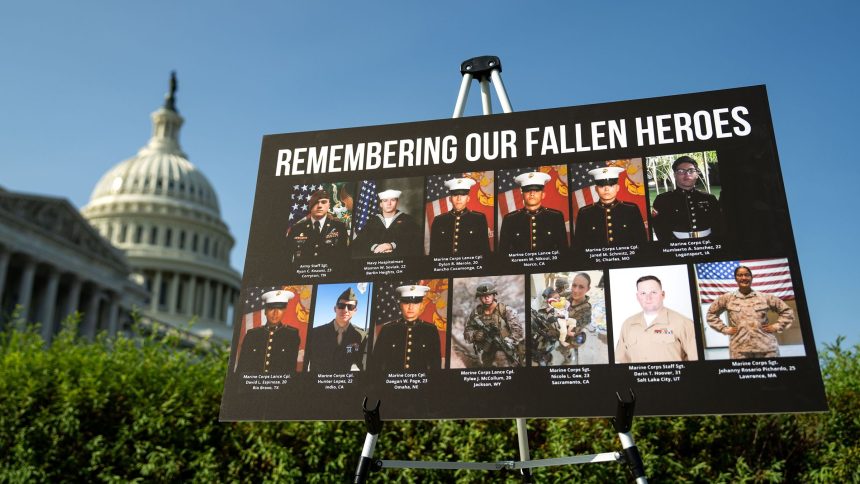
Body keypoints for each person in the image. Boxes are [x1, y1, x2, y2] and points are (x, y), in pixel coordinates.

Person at [706, 265, 794, 359]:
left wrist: (777, 326)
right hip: (739, 350)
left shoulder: (765, 297)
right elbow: (711, 314)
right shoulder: (727, 298)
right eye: (740, 275)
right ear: (736, 278)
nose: (743, 278)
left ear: (751, 278)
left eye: (747, 275)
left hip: (766, 349)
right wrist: (724, 329)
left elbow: (787, 311)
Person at [615, 276, 699, 363]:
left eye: (653, 292)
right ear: (637, 297)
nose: (648, 298)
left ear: (663, 295)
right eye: (643, 293)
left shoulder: (684, 323)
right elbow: (622, 362)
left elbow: (696, 361)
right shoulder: (628, 324)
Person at [651, 156, 724, 241]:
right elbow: (658, 226)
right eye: (681, 171)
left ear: (696, 174)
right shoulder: (663, 200)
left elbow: (719, 224)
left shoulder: (709, 198)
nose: (687, 174)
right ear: (675, 175)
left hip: (708, 243)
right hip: (676, 244)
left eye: (691, 171)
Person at [370, 285, 441, 372]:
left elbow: (435, 365)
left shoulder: (430, 330)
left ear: (421, 305)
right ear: (400, 304)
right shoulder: (387, 330)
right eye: (406, 302)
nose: (410, 307)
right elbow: (376, 364)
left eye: (415, 303)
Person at [573, 167, 646, 248]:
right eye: (601, 186)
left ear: (617, 188)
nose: (606, 189)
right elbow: (579, 246)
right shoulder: (585, 213)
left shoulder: (631, 210)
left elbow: (641, 242)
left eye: (611, 185)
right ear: (596, 189)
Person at [498, 171, 568, 254]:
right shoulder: (510, 219)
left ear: (543, 194)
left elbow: (563, 251)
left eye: (536, 190)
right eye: (527, 190)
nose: (532, 194)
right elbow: (503, 253)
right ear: (522, 194)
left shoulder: (555, 217)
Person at [236, 289, 300, 375]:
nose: (275, 313)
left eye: (280, 309)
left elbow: (290, 370)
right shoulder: (252, 335)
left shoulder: (291, 335)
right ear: (265, 311)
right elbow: (241, 368)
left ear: (284, 311)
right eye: (271, 309)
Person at [464, 281, 524, 367]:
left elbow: (518, 331)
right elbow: (466, 334)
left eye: (489, 295)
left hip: (505, 351)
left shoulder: (505, 310)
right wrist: (474, 334)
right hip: (486, 353)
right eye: (483, 296)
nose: (487, 298)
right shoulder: (476, 313)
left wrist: (509, 341)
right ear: (479, 297)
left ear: (494, 295)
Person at [305, 287, 366, 372]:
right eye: (341, 306)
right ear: (335, 308)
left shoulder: (361, 336)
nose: (345, 310)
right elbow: (304, 364)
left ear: (355, 310)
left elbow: (364, 366)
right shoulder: (315, 333)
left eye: (350, 307)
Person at [429, 177, 491, 257]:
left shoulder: (478, 219)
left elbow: (485, 251)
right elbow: (433, 252)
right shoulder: (439, 220)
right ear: (450, 199)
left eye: (463, 195)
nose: (459, 199)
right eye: (455, 195)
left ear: (468, 198)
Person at [285, 189, 349, 265]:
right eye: (316, 203)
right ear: (310, 205)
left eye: (324, 202)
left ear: (329, 205)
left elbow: (344, 259)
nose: (319, 206)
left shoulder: (340, 227)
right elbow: (286, 259)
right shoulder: (296, 229)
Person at [353, 189, 423, 257]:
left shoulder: (407, 220)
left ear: (397, 202)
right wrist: (375, 247)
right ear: (381, 204)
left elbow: (415, 241)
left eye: (393, 200)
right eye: (385, 200)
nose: (389, 203)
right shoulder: (372, 221)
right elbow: (360, 242)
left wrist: (391, 245)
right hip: (375, 261)